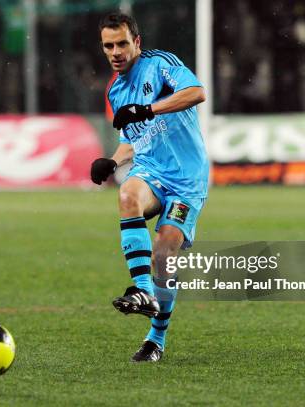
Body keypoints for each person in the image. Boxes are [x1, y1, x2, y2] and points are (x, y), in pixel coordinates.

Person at [91, 12, 210, 362]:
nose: (115, 51)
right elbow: (136, 139)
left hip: (187, 180)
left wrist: (147, 109)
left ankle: (156, 339)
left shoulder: (161, 65)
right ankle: (143, 291)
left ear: (137, 43)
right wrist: (113, 160)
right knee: (127, 193)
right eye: (108, 45)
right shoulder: (115, 90)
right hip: (152, 171)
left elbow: (196, 92)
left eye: (122, 43)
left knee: (163, 254)